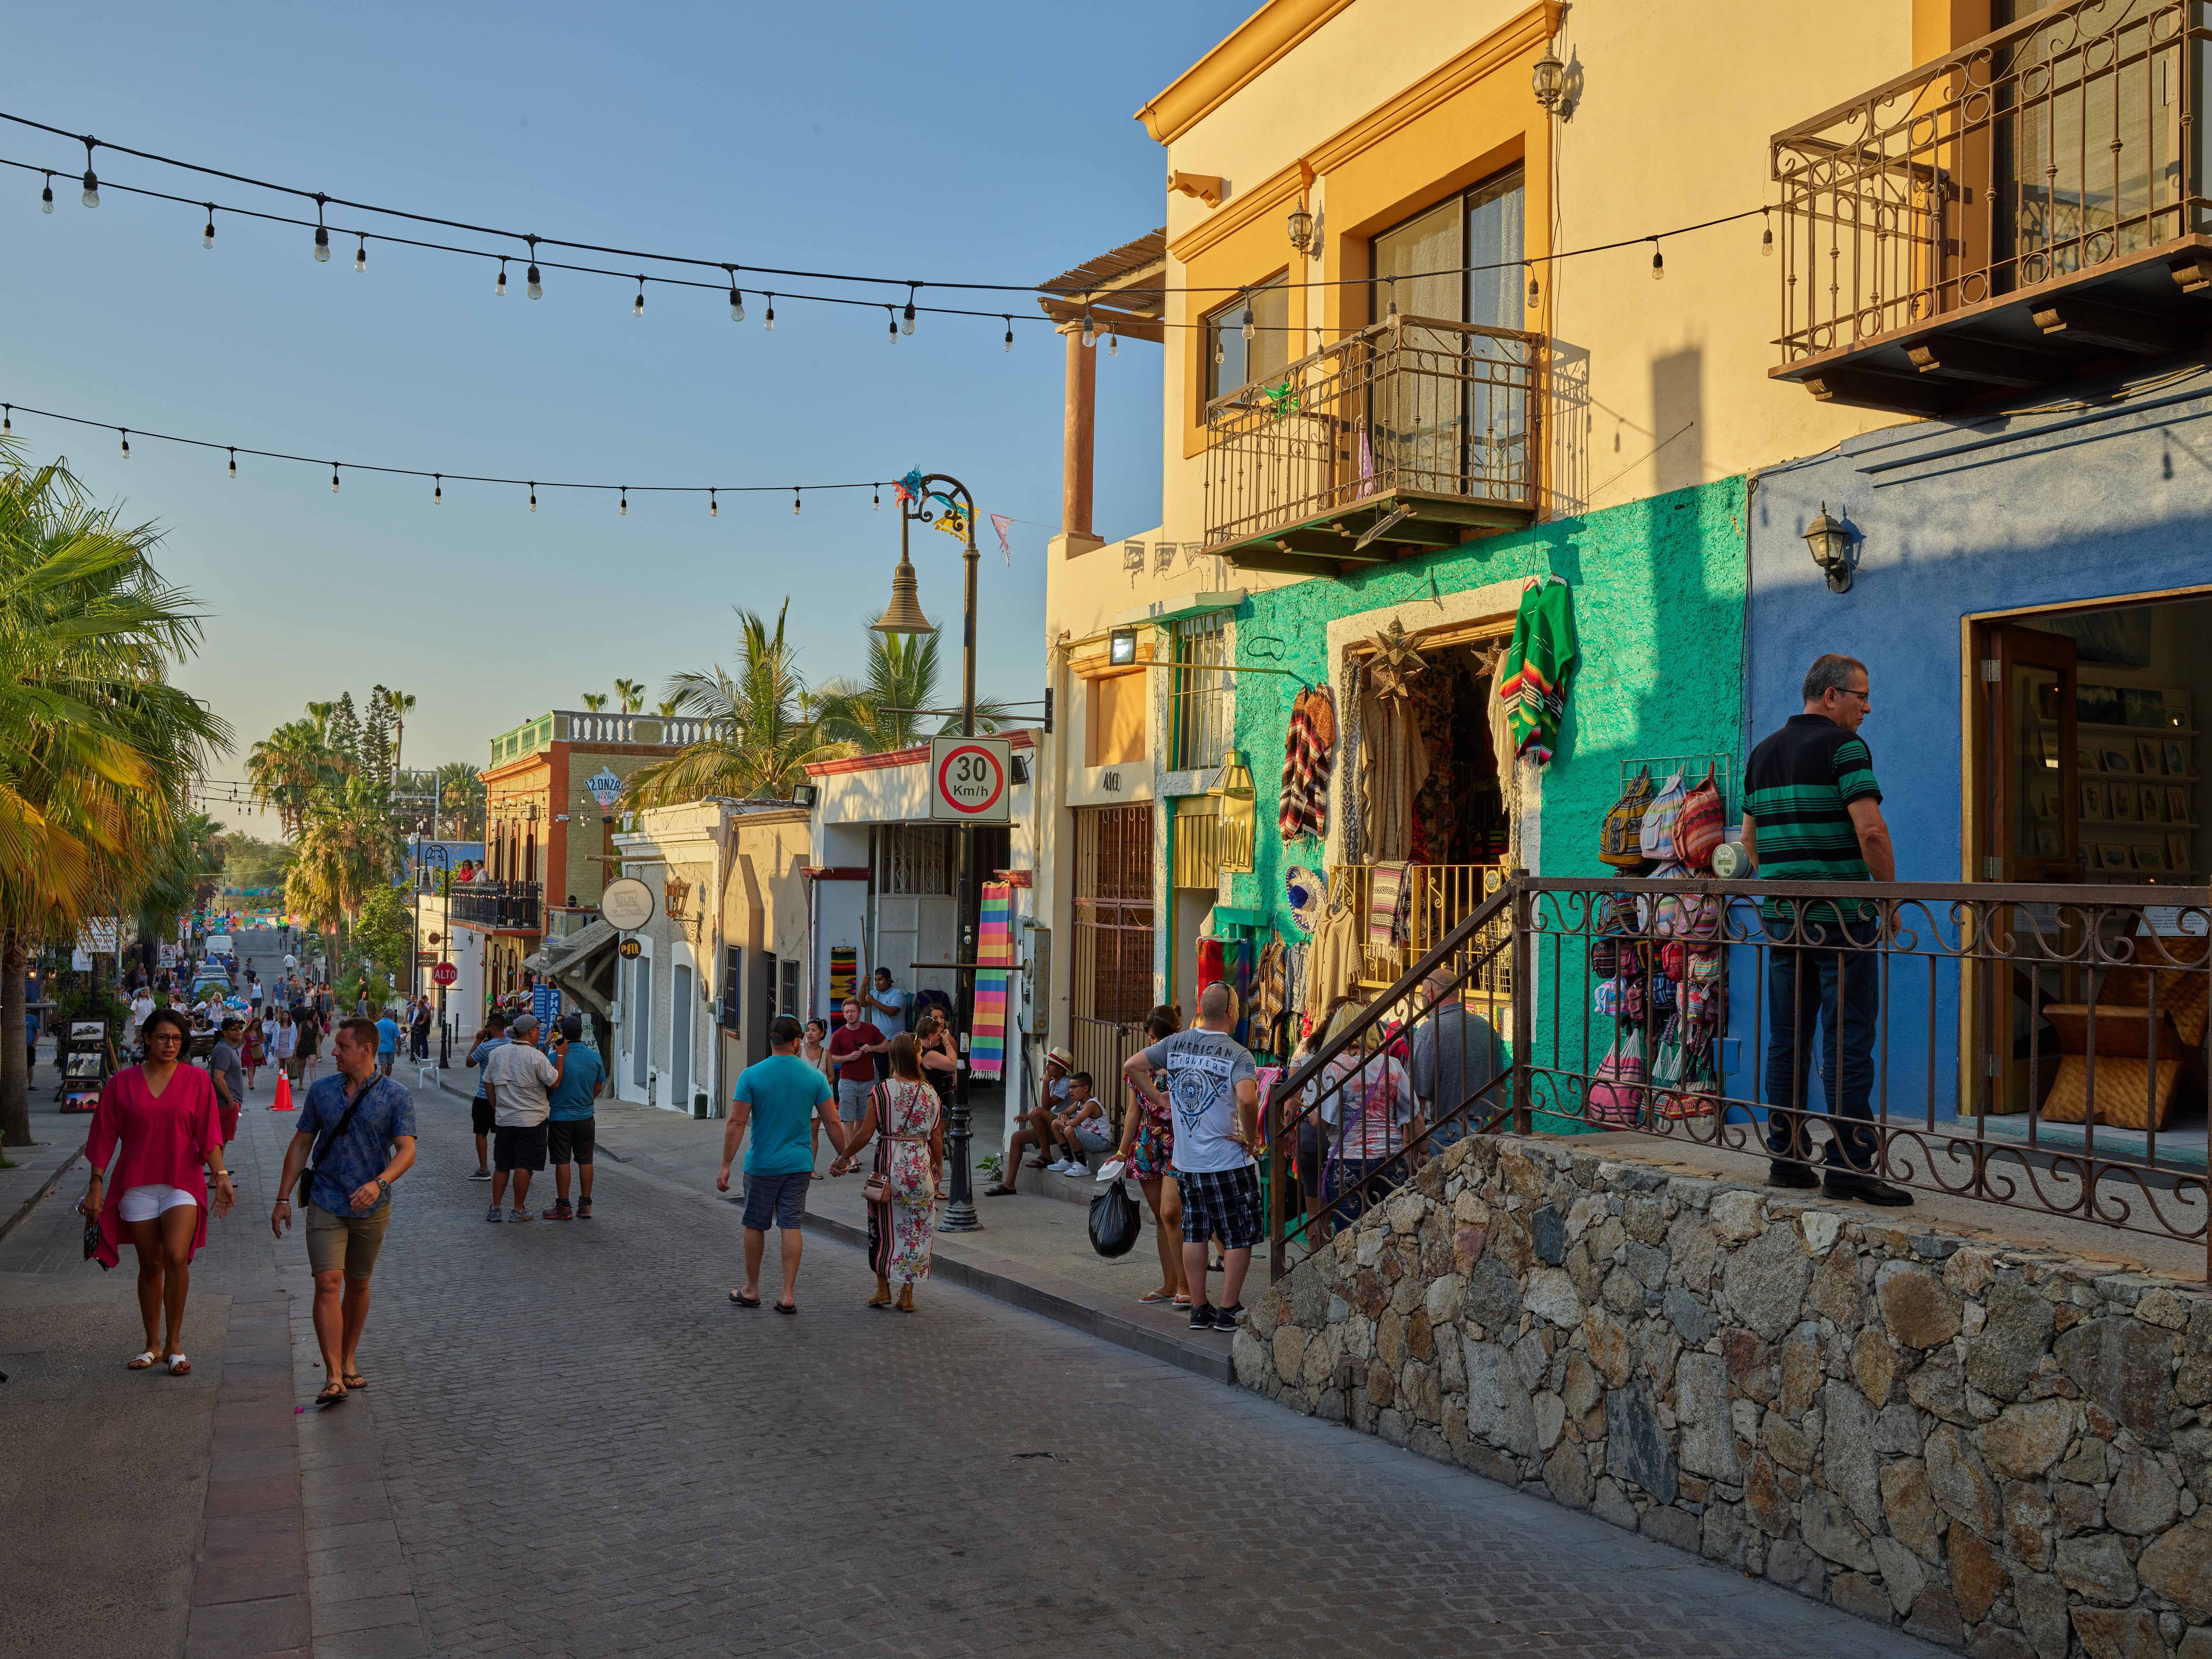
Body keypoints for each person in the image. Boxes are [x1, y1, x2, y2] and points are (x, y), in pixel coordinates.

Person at [1742, 653, 1909, 1208]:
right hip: (1841, 921)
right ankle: (1849, 1166)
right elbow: (1872, 832)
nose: (1868, 708)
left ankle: (1787, 1160)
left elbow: (1750, 841)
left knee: (1787, 1039)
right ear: (1832, 695)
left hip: (1784, 921)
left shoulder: (1763, 753)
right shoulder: (1845, 748)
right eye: (1862, 696)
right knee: (1848, 1040)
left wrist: (1786, 881)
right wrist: (1888, 897)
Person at [77, 1008, 236, 1375]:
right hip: (137, 1185)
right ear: (147, 1038)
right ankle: (152, 1345)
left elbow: (208, 1135)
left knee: (177, 1257)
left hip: (183, 1182)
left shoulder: (197, 1081)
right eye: (163, 1037)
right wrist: (96, 1184)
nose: (170, 1045)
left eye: (177, 1039)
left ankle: (175, 1345)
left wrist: (221, 1177)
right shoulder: (121, 1084)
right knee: (150, 1265)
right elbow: (103, 1136)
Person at [272, 1018, 418, 1406]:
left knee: (357, 1283)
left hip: (373, 1205)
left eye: (342, 1046)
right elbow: (301, 1144)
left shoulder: (396, 1095)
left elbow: (407, 1151)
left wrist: (379, 1184)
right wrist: (283, 1199)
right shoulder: (322, 1091)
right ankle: (333, 1374)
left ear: (366, 1050)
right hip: (326, 1199)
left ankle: (349, 1358)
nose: (333, 1052)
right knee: (327, 1283)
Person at [1123, 981, 1260, 1333]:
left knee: (1195, 1234)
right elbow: (1248, 1100)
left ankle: (1200, 1308)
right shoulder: (1239, 1055)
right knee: (1238, 1235)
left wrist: (1158, 1097)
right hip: (1228, 1161)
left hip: (1187, 1163)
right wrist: (1251, 1138)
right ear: (1232, 1011)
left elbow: (1132, 1065)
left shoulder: (1175, 1044)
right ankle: (1228, 1310)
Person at [718, 1015, 846, 1314]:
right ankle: (787, 1294)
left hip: (762, 1164)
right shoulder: (814, 1077)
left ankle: (751, 1289)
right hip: (799, 1164)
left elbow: (737, 1122)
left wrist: (726, 1165)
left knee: (755, 1224)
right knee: (791, 1225)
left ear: (771, 1040)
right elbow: (832, 1121)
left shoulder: (751, 1075)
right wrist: (844, 1157)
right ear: (796, 1042)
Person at [833, 1032, 942, 1311]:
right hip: (920, 1170)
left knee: (882, 1229)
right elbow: (936, 1136)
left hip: (888, 1170)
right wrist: (938, 1165)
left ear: (893, 1057)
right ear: (916, 1057)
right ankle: (908, 1293)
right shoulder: (930, 1093)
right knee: (917, 1231)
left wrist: (844, 1158)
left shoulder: (881, 1091)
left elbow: (865, 1133)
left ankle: (883, 1288)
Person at [1113, 1006, 1187, 1307]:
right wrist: (1122, 1151)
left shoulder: (1185, 1061)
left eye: (1159, 1038)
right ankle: (1170, 1284)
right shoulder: (1141, 1065)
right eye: (1152, 1038)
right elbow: (1134, 1110)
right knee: (1160, 1217)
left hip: (1178, 1142)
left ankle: (1185, 1284)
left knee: (1172, 1214)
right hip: (1148, 1143)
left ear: (1175, 1033)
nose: (1155, 1044)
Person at [482, 1013, 565, 1221]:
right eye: (538, 1031)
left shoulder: (498, 1053)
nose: (540, 1034)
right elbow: (555, 1082)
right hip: (531, 1121)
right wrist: (561, 1057)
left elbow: (488, 1083)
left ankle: (496, 1209)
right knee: (524, 1165)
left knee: (502, 1165)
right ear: (532, 1032)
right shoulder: (537, 1057)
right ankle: (518, 1210)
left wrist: (495, 1107)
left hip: (505, 1119)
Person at [988, 1046, 1074, 1196]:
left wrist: (1045, 1083)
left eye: (1051, 1064)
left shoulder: (1066, 1083)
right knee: (1017, 1138)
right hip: (1054, 1125)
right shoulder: (1054, 1083)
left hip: (1065, 1126)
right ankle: (1009, 1184)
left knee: (1036, 1111)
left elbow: (1046, 1106)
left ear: (1061, 1069)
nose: (1047, 1067)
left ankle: (1046, 1155)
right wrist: (1029, 1117)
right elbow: (1047, 1111)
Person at [544, 1014, 604, 1221]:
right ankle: (586, 1205)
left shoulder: (554, 1058)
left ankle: (563, 1206)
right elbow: (599, 1086)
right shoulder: (594, 1057)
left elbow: (547, 1086)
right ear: (582, 1033)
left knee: (563, 1161)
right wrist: (586, 1100)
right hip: (586, 1117)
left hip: (560, 1117)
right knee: (586, 1160)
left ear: (562, 1034)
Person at [826, 998, 888, 1142]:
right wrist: (848, 1058)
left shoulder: (870, 1029)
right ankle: (851, 1153)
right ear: (843, 1015)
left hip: (868, 1081)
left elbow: (887, 1045)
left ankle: (850, 1148)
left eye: (853, 1011)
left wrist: (873, 1048)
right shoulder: (839, 1034)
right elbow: (831, 1058)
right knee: (848, 1120)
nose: (850, 1014)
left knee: (863, 1118)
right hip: (848, 1081)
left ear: (860, 1013)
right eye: (847, 1012)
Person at [463, 1013, 509, 1181]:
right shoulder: (512, 1045)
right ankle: (507, 1167)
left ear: (493, 1027)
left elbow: (469, 1062)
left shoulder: (485, 1047)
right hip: (507, 1097)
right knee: (506, 1134)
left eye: (487, 1027)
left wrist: (478, 1040)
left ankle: (484, 1170)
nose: (485, 1030)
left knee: (481, 1133)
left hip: (484, 1097)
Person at [1046, 1073, 1113, 1174]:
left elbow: (1076, 1122)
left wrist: (1064, 1122)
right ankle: (1068, 1160)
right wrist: (1061, 1121)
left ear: (1085, 1088)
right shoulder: (1078, 1102)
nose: (1070, 1090)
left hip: (1102, 1142)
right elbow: (1064, 1113)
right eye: (1070, 1087)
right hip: (1088, 1138)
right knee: (1055, 1124)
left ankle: (1082, 1165)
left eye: (1074, 1087)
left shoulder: (1091, 1104)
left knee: (1069, 1129)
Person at [800, 1017, 835, 1178]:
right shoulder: (799, 1050)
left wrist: (820, 1084)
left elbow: (831, 1077)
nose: (810, 1033)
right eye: (808, 1030)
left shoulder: (826, 1053)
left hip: (816, 1099)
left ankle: (810, 1169)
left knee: (813, 1134)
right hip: (799, 1098)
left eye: (814, 1030)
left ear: (822, 1034)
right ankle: (796, 1167)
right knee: (798, 1133)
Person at [206, 1015, 247, 1145]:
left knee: (222, 1141)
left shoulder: (230, 1048)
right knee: (220, 1142)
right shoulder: (224, 1050)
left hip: (229, 1103)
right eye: (234, 1028)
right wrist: (231, 1101)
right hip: (225, 1104)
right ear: (225, 1033)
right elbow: (218, 1079)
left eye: (240, 1027)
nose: (238, 1030)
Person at [915, 1006, 959, 1120]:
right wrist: (947, 1043)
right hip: (932, 1096)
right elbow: (954, 1064)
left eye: (942, 1017)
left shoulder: (948, 1039)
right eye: (935, 1018)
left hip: (943, 1091)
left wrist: (956, 1073)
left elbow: (957, 1062)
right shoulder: (927, 1052)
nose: (940, 1021)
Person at [858, 966, 909, 1033]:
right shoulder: (873, 994)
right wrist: (863, 985)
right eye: (876, 980)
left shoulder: (898, 994)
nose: (877, 983)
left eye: (880, 980)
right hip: (877, 1036)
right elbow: (862, 1004)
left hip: (895, 1037)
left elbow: (892, 1012)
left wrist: (874, 1001)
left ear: (889, 981)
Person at [128, 984, 157, 1058]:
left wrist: (156, 1017)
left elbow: (154, 1009)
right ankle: (139, 1048)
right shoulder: (136, 1002)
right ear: (140, 993)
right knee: (139, 1036)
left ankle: (148, 1049)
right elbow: (133, 1011)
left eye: (146, 992)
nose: (145, 993)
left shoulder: (149, 1000)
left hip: (148, 1022)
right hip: (139, 1022)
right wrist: (133, 1019)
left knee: (148, 1035)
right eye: (143, 992)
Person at [241, 1012, 266, 1093]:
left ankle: (250, 1081)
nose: (256, 1027)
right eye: (255, 1025)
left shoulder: (259, 1031)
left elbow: (264, 1040)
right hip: (247, 1050)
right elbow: (242, 1040)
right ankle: (252, 1084)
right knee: (250, 1067)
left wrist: (257, 1043)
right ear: (252, 1024)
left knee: (254, 1067)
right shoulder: (247, 1031)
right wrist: (236, 1048)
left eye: (257, 1025)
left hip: (256, 1051)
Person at [373, 1005, 400, 1078]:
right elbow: (398, 1038)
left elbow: (374, 1037)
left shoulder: (378, 1024)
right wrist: (399, 1049)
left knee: (383, 1065)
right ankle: (388, 1078)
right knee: (390, 1064)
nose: (393, 1016)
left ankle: (384, 1079)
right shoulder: (394, 1025)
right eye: (393, 1014)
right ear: (389, 1014)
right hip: (391, 1048)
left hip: (382, 1048)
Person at [409, 997, 432, 1062]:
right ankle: (418, 1056)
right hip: (420, 1030)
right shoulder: (422, 1009)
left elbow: (427, 1014)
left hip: (422, 1030)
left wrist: (423, 1022)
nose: (416, 1004)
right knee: (418, 1042)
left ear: (420, 1004)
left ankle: (424, 1056)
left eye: (417, 1003)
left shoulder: (423, 1009)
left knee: (422, 1043)